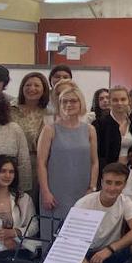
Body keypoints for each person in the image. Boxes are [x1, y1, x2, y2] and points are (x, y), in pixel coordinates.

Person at [36, 84, 99, 233]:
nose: (68, 104)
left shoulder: (89, 129)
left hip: (82, 191)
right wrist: (45, 192)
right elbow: (41, 163)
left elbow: (94, 162)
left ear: (81, 103)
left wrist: (92, 188)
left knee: (78, 235)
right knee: (54, 235)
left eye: (73, 101)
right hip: (55, 192)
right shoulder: (50, 129)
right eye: (64, 101)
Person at [10, 72, 50, 179]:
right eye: (28, 85)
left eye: (37, 85)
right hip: (11, 162)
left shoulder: (49, 113)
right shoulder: (10, 109)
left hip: (38, 163)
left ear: (44, 89)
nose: (32, 88)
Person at [95, 85, 132, 173]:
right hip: (107, 172)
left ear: (128, 101)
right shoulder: (99, 124)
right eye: (115, 100)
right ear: (110, 102)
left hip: (130, 171)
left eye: (123, 99)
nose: (119, 103)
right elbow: (97, 155)